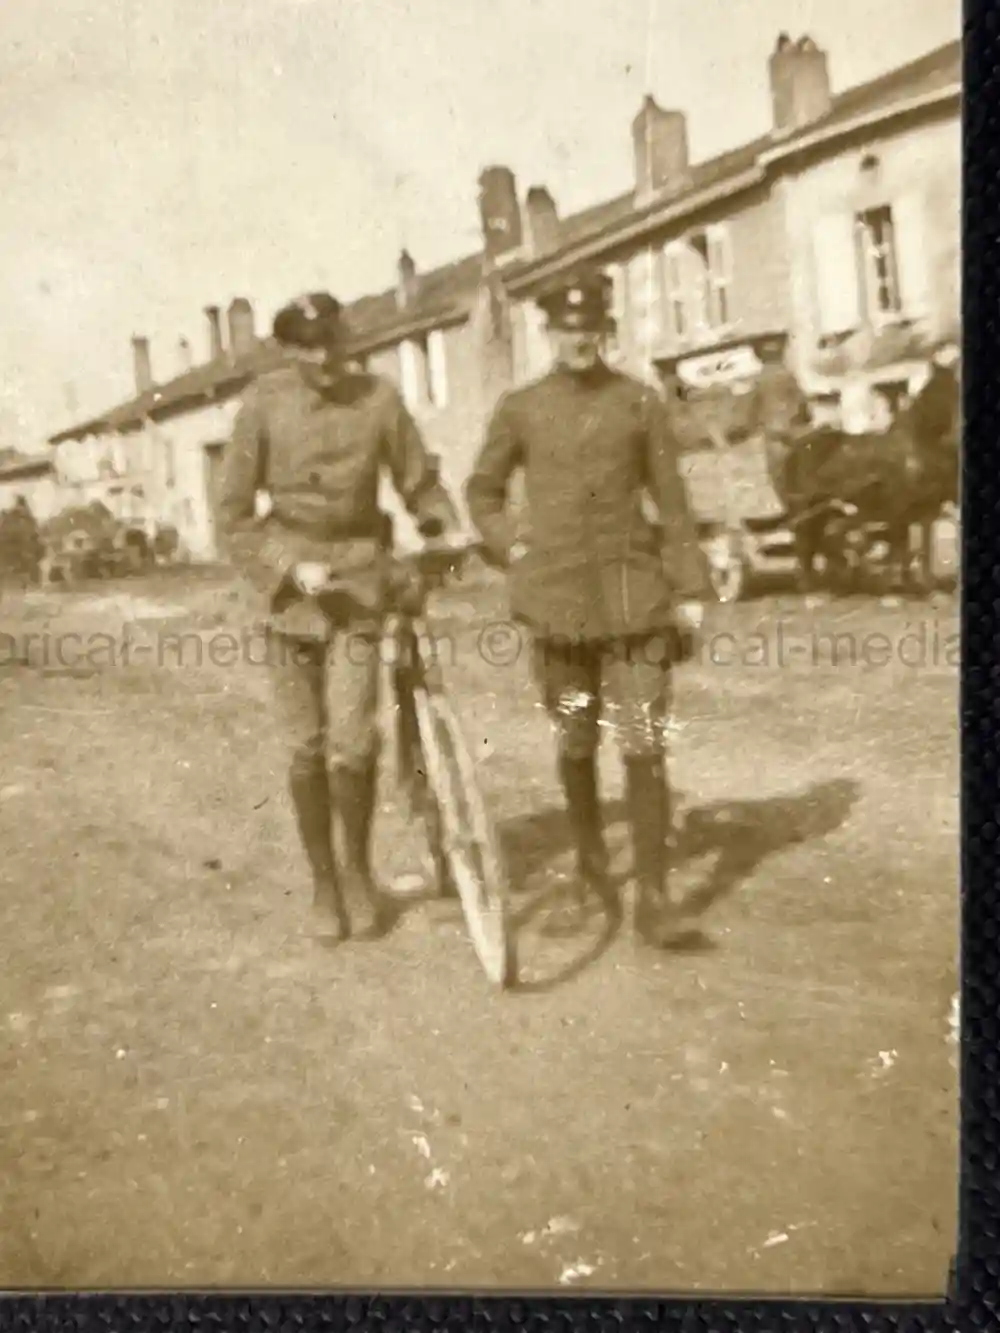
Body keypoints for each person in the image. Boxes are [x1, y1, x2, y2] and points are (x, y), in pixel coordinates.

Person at [465, 268, 712, 946]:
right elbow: (482, 490)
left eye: (592, 327)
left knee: (643, 740)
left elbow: (673, 500)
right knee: (576, 736)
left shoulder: (639, 402)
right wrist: (512, 545)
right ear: (550, 331)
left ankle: (655, 896)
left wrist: (690, 589)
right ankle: (593, 868)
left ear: (606, 330)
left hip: (636, 598)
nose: (581, 339)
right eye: (568, 328)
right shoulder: (521, 407)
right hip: (558, 603)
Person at [217, 292, 459, 942]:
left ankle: (356, 870)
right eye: (307, 347)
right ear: (289, 350)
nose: (323, 358)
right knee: (305, 746)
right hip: (286, 596)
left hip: (357, 584)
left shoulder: (378, 400)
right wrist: (287, 564)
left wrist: (440, 524)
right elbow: (233, 515)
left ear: (347, 341)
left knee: (351, 744)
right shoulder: (262, 405)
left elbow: (419, 479)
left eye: (332, 343)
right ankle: (323, 882)